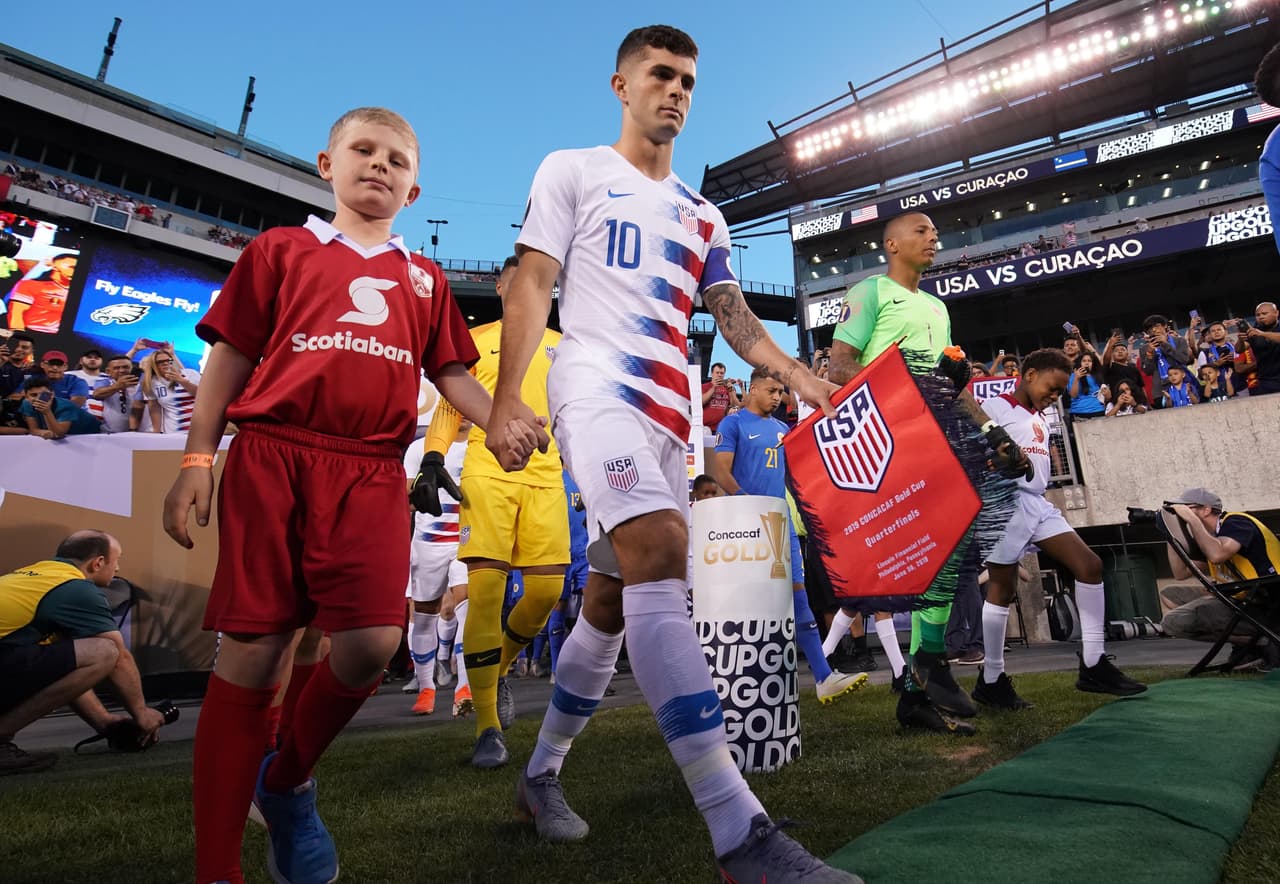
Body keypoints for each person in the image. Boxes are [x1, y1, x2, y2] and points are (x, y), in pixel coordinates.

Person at [485, 26, 859, 881]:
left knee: (613, 599)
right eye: (660, 74)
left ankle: (539, 778)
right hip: (591, 388)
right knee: (660, 553)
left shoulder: (704, 212)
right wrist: (508, 395)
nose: (677, 90)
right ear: (620, 83)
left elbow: (730, 313)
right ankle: (741, 833)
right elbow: (534, 282)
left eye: (688, 79)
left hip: (669, 414)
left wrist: (798, 374)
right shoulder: (572, 170)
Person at [161, 107, 534, 884]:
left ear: (414, 187)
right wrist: (200, 456)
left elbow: (453, 375)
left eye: (397, 159)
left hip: (367, 468)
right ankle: (215, 866)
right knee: (256, 657)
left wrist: (502, 420)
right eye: (363, 151)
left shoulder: (424, 279)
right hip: (271, 458)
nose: (379, 166)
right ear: (327, 164)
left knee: (369, 646)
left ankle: (288, 779)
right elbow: (229, 360)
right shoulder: (279, 250)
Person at [828, 212, 1027, 736]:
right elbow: (840, 367)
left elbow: (953, 386)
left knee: (948, 550)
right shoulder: (869, 291)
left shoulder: (936, 308)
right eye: (920, 229)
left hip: (940, 435)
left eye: (936, 230)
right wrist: (913, 382)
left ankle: (917, 693)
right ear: (891, 244)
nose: (933, 235)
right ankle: (931, 664)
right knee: (935, 550)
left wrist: (993, 433)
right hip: (888, 438)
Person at [416, 253, 568, 768]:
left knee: (547, 590)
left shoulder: (564, 347)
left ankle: (494, 669)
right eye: (517, 282)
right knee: (485, 593)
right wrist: (434, 455)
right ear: (501, 289)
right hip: (487, 470)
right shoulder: (478, 340)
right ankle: (486, 726)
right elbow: (449, 403)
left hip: (547, 475)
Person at [972, 349, 1147, 710]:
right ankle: (990, 678)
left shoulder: (1040, 418)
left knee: (1090, 565)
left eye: (1059, 393)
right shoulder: (993, 408)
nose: (1054, 397)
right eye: (1051, 388)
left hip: (1037, 502)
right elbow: (974, 457)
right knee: (1001, 590)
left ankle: (1094, 663)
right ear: (1030, 374)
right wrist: (998, 464)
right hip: (1004, 502)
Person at [712, 367, 868, 703]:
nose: (777, 397)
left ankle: (824, 677)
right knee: (751, 606)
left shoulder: (783, 429)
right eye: (770, 391)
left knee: (799, 599)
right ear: (752, 389)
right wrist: (744, 501)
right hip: (746, 526)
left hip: (779, 525)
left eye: (780, 392)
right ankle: (740, 687)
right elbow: (719, 469)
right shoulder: (734, 423)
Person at [0, 531, 165, 774]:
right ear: (98, 563)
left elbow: (66, 672)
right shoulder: (76, 589)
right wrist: (141, 712)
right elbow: (118, 657)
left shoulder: (35, 577)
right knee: (105, 650)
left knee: (75, 653)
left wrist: (105, 723)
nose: (118, 568)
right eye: (116, 560)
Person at [1161, 488, 1280, 662]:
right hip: (1240, 596)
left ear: (1206, 509)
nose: (1181, 513)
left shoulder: (1237, 522)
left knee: (1173, 621)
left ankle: (1267, 640)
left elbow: (1218, 555)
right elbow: (1181, 573)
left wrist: (1193, 520)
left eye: (1185, 508)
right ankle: (1257, 642)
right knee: (1170, 594)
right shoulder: (1211, 537)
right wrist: (1171, 533)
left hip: (1266, 601)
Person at [401, 419, 469, 716]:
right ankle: (426, 686)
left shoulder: (481, 447)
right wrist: (417, 496)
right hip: (429, 543)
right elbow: (403, 495)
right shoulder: (420, 448)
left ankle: (464, 688)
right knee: (425, 615)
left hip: (469, 540)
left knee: (469, 607)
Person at [7, 253, 76, 333]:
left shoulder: (80, 292)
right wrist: (19, 336)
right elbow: (16, 313)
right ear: (55, 266)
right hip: (31, 333)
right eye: (72, 267)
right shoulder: (30, 285)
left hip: (59, 338)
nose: (76, 271)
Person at [137, 349, 200, 433]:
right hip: (174, 431)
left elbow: (203, 396)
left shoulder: (190, 374)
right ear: (153, 365)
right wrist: (157, 431)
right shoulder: (151, 382)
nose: (165, 363)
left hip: (199, 427)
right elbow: (154, 408)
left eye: (168, 360)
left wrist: (183, 381)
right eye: (160, 362)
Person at [20, 375, 100, 438]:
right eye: (33, 395)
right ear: (26, 397)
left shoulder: (66, 406)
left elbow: (59, 434)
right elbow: (33, 430)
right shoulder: (26, 404)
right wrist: (45, 433)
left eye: (44, 394)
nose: (38, 398)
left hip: (91, 433)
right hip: (69, 435)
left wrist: (47, 412)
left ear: (52, 394)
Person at [1139, 314, 1192, 406]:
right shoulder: (1145, 348)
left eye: (1157, 326)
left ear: (1165, 326)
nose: (1154, 330)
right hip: (1160, 390)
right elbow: (1147, 371)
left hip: (1183, 386)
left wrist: (1165, 344)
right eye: (1150, 328)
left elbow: (1184, 359)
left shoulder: (1179, 341)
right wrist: (1150, 354)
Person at [90, 354, 142, 433]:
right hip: (110, 433)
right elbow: (97, 395)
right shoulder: (104, 382)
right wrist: (118, 386)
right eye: (116, 368)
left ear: (132, 368)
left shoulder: (141, 384)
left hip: (139, 431)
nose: (122, 370)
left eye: (126, 367)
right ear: (108, 371)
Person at [1236, 302, 1280, 395]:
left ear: (1276, 313)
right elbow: (1238, 350)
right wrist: (1240, 340)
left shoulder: (1258, 332)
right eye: (1258, 315)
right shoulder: (1254, 330)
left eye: (1264, 314)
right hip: (1265, 381)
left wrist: (1262, 334)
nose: (1260, 317)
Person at [22, 350, 89, 407]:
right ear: (42, 365)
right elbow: (20, 397)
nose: (55, 368)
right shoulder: (33, 379)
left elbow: (75, 406)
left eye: (59, 364)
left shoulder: (77, 382)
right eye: (51, 364)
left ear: (65, 367)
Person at [701, 361, 741, 432]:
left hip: (722, 428)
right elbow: (701, 402)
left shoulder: (728, 388)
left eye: (721, 373)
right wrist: (713, 388)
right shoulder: (704, 387)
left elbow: (735, 405)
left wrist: (731, 391)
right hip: (705, 428)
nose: (719, 375)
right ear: (712, 373)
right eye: (717, 372)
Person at [1066, 352, 1107, 419]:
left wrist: (1106, 392)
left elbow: (1107, 397)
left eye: (1089, 361)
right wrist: (1076, 378)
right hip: (1079, 412)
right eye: (1084, 361)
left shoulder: (1098, 376)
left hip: (1098, 411)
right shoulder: (1073, 376)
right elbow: (1073, 395)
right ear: (1080, 363)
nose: (1087, 363)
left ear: (1093, 364)